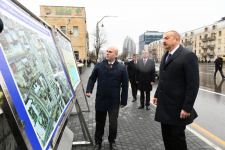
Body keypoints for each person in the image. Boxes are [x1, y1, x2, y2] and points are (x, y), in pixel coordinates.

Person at [152, 30, 199, 150]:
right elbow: (162, 78)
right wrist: (157, 94)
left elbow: (193, 85)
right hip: (164, 106)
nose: (164, 41)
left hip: (178, 108)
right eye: (163, 38)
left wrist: (187, 107)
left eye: (167, 38)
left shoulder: (188, 56)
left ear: (176, 39)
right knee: (167, 138)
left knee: (177, 140)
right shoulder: (166, 55)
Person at [86, 46, 128, 150]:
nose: (107, 53)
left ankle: (112, 141)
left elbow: (125, 85)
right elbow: (92, 79)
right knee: (100, 122)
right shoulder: (99, 66)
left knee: (113, 123)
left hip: (114, 102)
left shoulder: (122, 67)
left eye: (110, 52)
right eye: (107, 51)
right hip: (101, 100)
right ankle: (98, 142)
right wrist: (89, 90)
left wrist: (124, 100)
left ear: (116, 55)